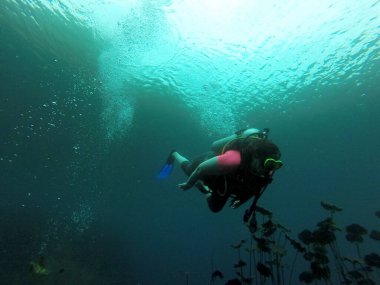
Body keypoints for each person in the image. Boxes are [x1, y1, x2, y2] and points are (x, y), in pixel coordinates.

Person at [157, 127, 283, 232]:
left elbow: (258, 187)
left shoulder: (266, 171)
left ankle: (205, 190)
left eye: (276, 164)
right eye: (267, 163)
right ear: (255, 156)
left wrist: (242, 200)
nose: (271, 169)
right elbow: (201, 169)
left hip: (227, 181)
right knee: (190, 170)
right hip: (209, 163)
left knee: (215, 208)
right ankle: (174, 154)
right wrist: (189, 184)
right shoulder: (232, 160)